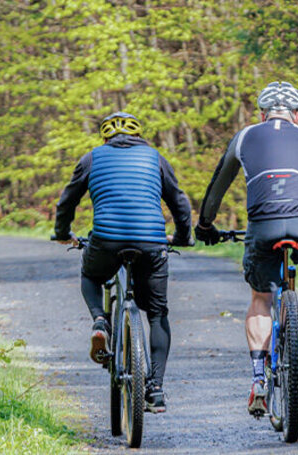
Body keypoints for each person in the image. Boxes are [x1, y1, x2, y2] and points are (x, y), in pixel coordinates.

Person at [193, 82, 298, 415]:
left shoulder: (244, 137)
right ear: (297, 114)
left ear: (262, 114)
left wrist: (205, 224)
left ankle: (257, 379)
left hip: (263, 224)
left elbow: (218, 186)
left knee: (261, 297)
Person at [52, 112, 193, 413]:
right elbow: (179, 201)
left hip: (106, 240)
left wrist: (63, 233)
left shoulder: (92, 158)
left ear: (105, 138)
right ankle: (155, 389)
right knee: (157, 314)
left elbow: (68, 200)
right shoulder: (155, 158)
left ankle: (100, 321)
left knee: (90, 276)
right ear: (138, 136)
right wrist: (182, 236)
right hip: (151, 242)